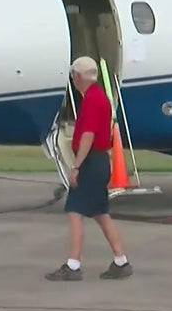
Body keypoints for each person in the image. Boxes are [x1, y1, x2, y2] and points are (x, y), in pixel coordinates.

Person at [45, 56, 133, 281]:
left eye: (74, 75)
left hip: (91, 162)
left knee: (75, 211)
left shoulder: (93, 100)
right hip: (99, 161)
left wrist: (76, 166)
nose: (72, 79)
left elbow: (87, 135)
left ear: (78, 76)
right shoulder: (96, 98)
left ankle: (73, 265)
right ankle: (121, 261)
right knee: (100, 213)